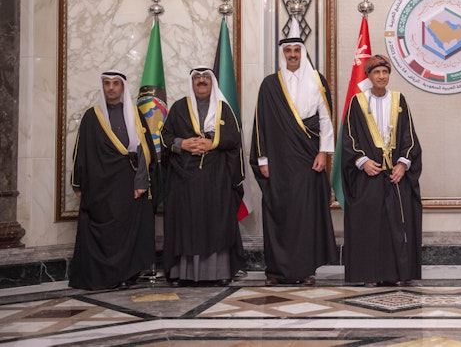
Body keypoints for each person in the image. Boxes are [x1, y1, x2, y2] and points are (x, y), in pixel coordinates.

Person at [250, 28, 337, 286]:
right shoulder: (270, 84)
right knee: (279, 211)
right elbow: (260, 124)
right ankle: (276, 271)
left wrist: (323, 152)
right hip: (278, 159)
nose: (292, 54)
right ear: (282, 54)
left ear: (303, 52)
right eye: (288, 50)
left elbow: (326, 119)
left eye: (297, 50)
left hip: (309, 157)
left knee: (306, 213)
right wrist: (262, 160)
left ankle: (306, 270)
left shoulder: (317, 80)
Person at [340, 55, 423, 287]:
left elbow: (409, 136)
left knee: (396, 224)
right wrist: (362, 161)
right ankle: (370, 274)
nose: (381, 76)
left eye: (385, 72)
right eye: (376, 72)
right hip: (369, 174)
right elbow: (349, 137)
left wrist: (403, 164)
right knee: (369, 225)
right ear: (368, 75)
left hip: (395, 175)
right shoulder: (357, 102)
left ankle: (397, 274)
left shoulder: (399, 100)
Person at [69, 71, 156, 290]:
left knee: (127, 233)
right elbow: (81, 152)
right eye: (107, 83)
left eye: (116, 83)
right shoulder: (92, 116)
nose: (111, 88)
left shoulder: (135, 114)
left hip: (128, 185)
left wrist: (141, 182)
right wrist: (78, 183)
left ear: (123, 87)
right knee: (106, 234)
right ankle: (103, 276)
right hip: (99, 187)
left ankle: (126, 275)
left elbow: (145, 151)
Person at [161, 67, 246, 286]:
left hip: (216, 178)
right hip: (184, 179)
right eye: (197, 78)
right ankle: (184, 274)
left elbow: (234, 139)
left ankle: (218, 273)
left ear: (212, 82)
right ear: (191, 82)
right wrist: (183, 144)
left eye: (206, 77)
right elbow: (165, 137)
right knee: (186, 224)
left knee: (215, 223)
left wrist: (212, 143)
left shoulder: (223, 109)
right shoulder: (179, 107)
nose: (201, 81)